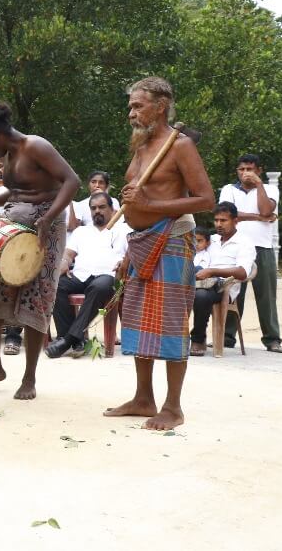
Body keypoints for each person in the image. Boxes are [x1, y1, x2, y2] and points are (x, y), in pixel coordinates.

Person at [104, 76, 214, 430]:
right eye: (130, 107)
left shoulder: (179, 146)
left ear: (161, 106)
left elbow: (206, 199)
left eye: (138, 106)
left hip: (171, 240)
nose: (131, 113)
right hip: (140, 242)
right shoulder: (142, 146)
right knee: (137, 318)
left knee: (168, 321)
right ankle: (143, 397)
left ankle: (173, 407)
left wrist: (153, 202)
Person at [0, 102, 79, 400]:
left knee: (37, 295)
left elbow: (72, 181)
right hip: (12, 223)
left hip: (47, 224)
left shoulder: (36, 146)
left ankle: (29, 377)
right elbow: (17, 190)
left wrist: (47, 217)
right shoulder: (9, 154)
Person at [46, 192, 129, 357]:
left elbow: (132, 256)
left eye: (102, 207)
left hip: (108, 277)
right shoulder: (81, 231)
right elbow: (68, 255)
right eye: (93, 208)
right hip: (80, 276)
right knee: (57, 284)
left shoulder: (125, 229)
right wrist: (63, 263)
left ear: (113, 210)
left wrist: (124, 264)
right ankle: (75, 339)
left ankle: (67, 340)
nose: (97, 211)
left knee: (100, 286)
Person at [218, 154, 282, 352]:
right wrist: (259, 217)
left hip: (262, 248)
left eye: (250, 169)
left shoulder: (270, 189)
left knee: (267, 295)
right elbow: (228, 214)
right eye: (242, 169)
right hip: (235, 248)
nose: (245, 173)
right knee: (232, 292)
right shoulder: (229, 189)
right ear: (237, 171)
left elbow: (266, 209)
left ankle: (272, 339)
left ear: (259, 171)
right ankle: (227, 337)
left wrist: (259, 186)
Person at [190, 202, 255, 356]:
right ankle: (170, 337)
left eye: (223, 220)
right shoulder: (210, 239)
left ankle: (198, 339)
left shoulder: (245, 242)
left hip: (224, 287)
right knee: (175, 283)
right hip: (200, 280)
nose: (218, 224)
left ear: (235, 221)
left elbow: (243, 272)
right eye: (216, 220)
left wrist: (212, 271)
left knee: (201, 295)